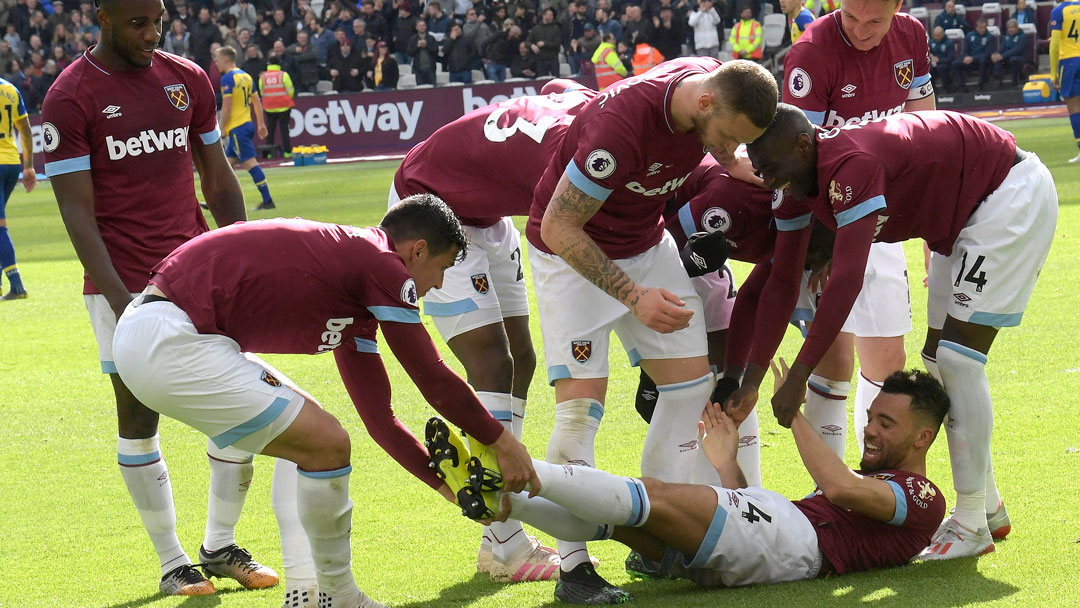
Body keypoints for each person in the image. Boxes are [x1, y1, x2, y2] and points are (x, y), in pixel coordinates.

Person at [111, 201, 541, 608]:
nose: (438, 285)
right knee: (325, 442)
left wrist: (446, 486)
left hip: (163, 335)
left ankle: (309, 590)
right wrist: (503, 442)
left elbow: (381, 420)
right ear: (418, 250)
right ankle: (335, 594)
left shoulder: (358, 292)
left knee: (305, 432)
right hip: (170, 337)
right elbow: (433, 378)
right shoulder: (381, 263)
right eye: (443, 268)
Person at [742, 104, 1057, 560]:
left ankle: (970, 521)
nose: (769, 180)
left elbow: (848, 278)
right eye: (760, 170)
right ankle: (986, 507)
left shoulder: (851, 164)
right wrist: (751, 379)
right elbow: (782, 280)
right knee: (939, 360)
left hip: (1007, 195)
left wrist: (799, 376)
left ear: (803, 144)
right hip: (965, 217)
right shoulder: (798, 179)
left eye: (772, 168)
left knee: (957, 359)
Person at [41, 0, 277, 597]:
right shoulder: (70, 98)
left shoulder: (187, 79)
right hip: (120, 282)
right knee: (138, 415)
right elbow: (76, 212)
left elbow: (218, 179)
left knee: (234, 406)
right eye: (137, 23)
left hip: (196, 273)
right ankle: (174, 561)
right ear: (103, 18)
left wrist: (239, 259)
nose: (152, 34)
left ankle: (220, 546)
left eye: (159, 21)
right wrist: (125, 303)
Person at [525, 57, 777, 604]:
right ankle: (574, 569)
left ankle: (659, 534)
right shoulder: (620, 128)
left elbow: (727, 144)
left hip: (645, 243)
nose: (735, 149)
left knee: (691, 389)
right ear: (705, 104)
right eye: (731, 138)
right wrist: (634, 297)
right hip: (571, 257)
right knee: (578, 409)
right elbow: (558, 225)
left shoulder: (712, 85)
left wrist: (733, 162)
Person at [432, 367, 951, 587]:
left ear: (923, 439)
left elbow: (834, 491)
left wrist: (792, 412)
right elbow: (755, 528)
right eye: (871, 417)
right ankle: (505, 505)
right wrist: (727, 464)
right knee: (619, 526)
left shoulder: (923, 497)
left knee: (649, 497)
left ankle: (516, 471)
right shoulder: (878, 491)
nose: (870, 430)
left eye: (886, 423)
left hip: (793, 543)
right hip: (778, 548)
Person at [391, 88, 595, 583]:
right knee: (492, 364)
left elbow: (552, 88)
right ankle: (504, 540)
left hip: (485, 213)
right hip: (430, 211)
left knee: (520, 359)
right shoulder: (584, 144)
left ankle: (496, 529)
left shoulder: (589, 109)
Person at [761, 0, 935, 475]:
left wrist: (928, 225)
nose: (860, 30)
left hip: (885, 216)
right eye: (851, 18)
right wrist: (821, 252)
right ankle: (830, 495)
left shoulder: (912, 37)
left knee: (886, 358)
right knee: (834, 357)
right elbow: (800, 168)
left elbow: (925, 126)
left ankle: (875, 485)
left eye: (874, 21)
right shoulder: (812, 52)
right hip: (828, 221)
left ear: (898, 8)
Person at [213, 46, 273, 211]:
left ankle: (268, 200)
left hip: (237, 127)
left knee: (250, 164)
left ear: (226, 60)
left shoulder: (227, 79)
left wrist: (222, 126)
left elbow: (227, 105)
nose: (215, 63)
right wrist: (260, 124)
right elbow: (257, 102)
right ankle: (219, 203)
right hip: (247, 124)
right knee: (226, 165)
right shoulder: (246, 76)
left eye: (217, 59)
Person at [0, 76, 34, 301]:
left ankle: (17, 284)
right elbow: (26, 129)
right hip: (11, 163)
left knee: (0, 228)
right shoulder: (10, 89)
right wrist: (29, 166)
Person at [1050, 0, 1080, 163]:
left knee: (1074, 106)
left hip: (1069, 61)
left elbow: (1054, 45)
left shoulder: (1058, 11)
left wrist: (1053, 73)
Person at [259, 57, 295, 159]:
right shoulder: (283, 75)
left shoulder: (263, 76)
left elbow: (262, 91)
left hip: (269, 107)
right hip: (283, 107)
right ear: (279, 64)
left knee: (270, 130)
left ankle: (269, 153)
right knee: (284, 130)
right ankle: (287, 152)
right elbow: (291, 90)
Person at [951, 18, 994, 92]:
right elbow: (965, 50)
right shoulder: (969, 36)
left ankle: (981, 85)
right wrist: (966, 57)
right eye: (981, 27)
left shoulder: (990, 37)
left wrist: (973, 58)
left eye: (984, 27)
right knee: (955, 64)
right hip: (970, 61)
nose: (983, 29)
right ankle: (962, 86)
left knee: (983, 60)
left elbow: (988, 53)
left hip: (982, 61)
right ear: (976, 27)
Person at [993, 19, 1030, 88]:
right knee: (997, 59)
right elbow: (1002, 47)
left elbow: (1017, 50)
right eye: (1009, 28)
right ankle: (997, 81)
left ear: (1017, 28)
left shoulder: (1022, 37)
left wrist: (1002, 56)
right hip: (1008, 57)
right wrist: (996, 54)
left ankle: (1014, 82)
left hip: (1020, 58)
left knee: (1013, 59)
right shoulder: (1006, 37)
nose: (1010, 29)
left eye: (1012, 27)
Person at [527, 7, 562, 77]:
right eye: (550, 15)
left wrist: (545, 44)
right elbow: (527, 42)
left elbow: (557, 43)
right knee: (542, 80)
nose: (552, 17)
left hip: (553, 59)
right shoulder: (536, 29)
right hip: (541, 60)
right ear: (544, 15)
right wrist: (532, 46)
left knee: (556, 80)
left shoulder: (556, 28)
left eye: (552, 15)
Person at [929, 26, 956, 91]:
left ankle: (946, 89)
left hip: (946, 64)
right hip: (934, 64)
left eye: (938, 36)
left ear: (942, 34)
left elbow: (952, 58)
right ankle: (933, 91)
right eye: (934, 36)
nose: (936, 38)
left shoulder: (949, 43)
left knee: (941, 68)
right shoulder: (931, 42)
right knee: (929, 70)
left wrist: (939, 60)